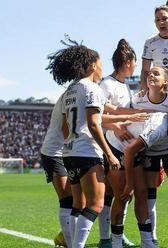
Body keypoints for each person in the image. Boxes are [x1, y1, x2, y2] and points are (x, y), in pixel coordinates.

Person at [47, 40, 120, 248]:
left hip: (69, 153)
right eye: (100, 66)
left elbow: (64, 127)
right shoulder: (92, 88)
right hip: (87, 152)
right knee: (95, 204)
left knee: (77, 206)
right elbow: (94, 125)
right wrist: (110, 155)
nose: (101, 70)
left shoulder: (70, 90)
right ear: (92, 66)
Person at [132, 66, 168, 247]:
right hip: (150, 151)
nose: (150, 75)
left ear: (166, 81)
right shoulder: (137, 100)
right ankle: (152, 236)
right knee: (150, 194)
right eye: (149, 73)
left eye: (156, 73)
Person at [98, 39, 138, 248]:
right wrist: (116, 128)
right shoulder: (106, 84)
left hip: (124, 146)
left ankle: (113, 234)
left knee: (114, 194)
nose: (136, 66)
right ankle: (109, 238)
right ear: (129, 62)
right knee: (121, 194)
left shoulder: (125, 84)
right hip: (111, 146)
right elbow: (98, 113)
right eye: (135, 62)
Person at [40, 93, 73, 248]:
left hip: (69, 151)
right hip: (56, 152)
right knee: (67, 198)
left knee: (84, 200)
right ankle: (68, 241)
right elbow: (66, 126)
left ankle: (66, 236)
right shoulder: (73, 92)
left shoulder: (84, 89)